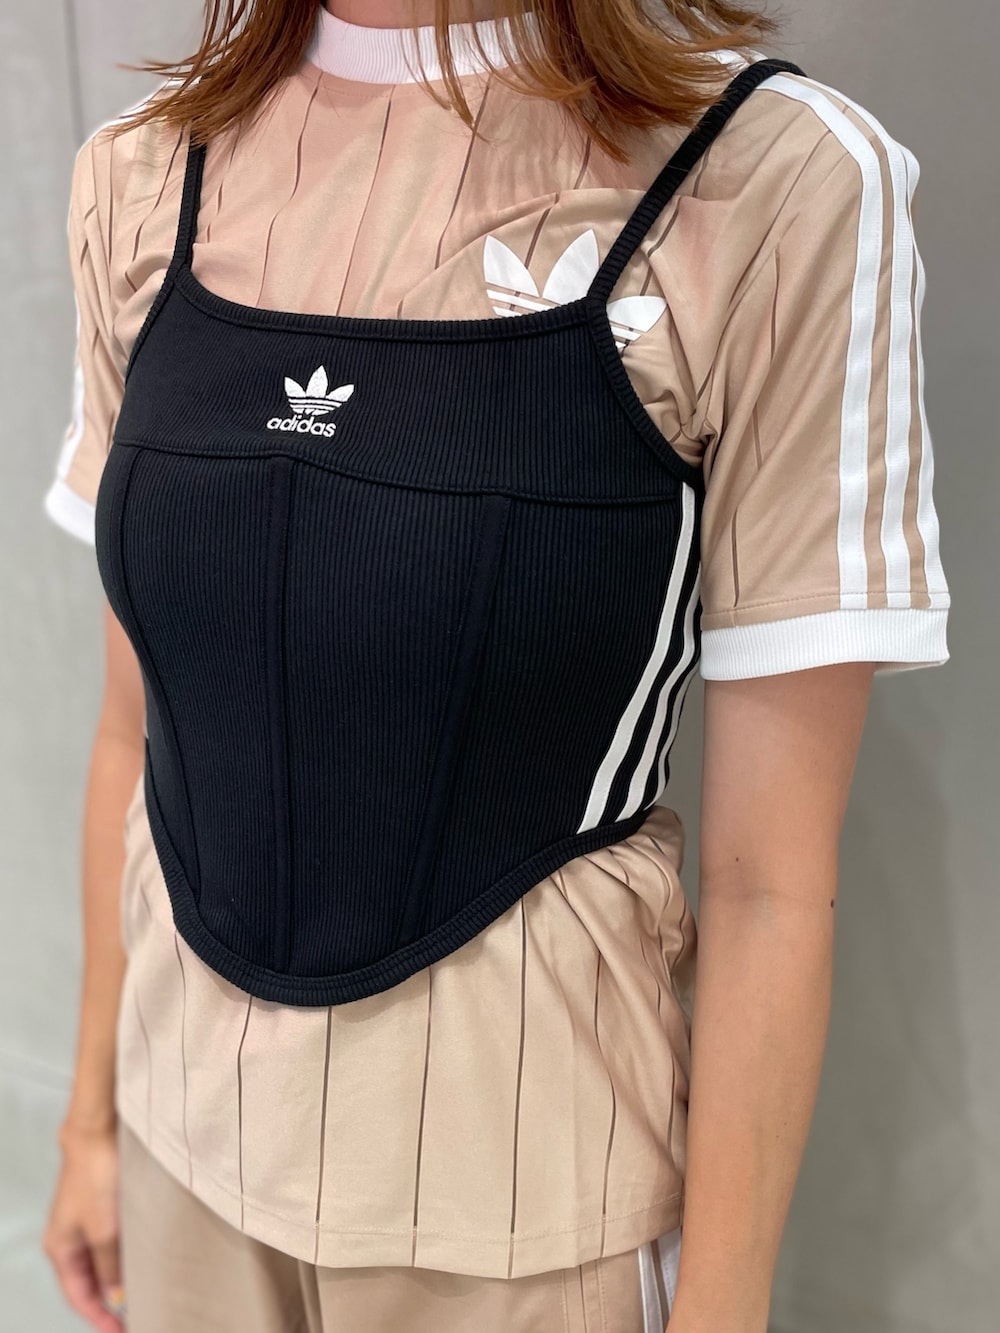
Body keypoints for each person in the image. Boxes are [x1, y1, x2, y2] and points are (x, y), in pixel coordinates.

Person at [39, 1, 950, 1331]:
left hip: (521, 1197)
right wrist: (91, 1124)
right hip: (182, 1146)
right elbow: (138, 732)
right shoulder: (141, 171)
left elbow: (770, 879)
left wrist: (723, 1304)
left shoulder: (775, 176)